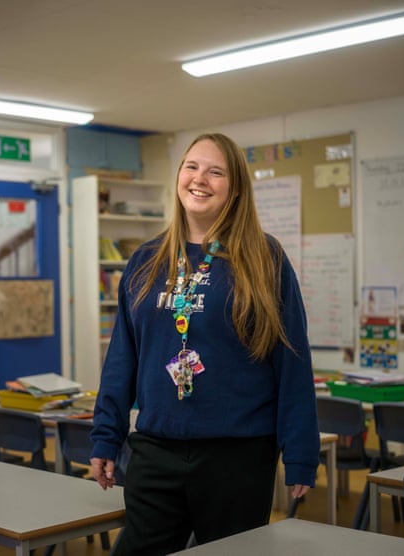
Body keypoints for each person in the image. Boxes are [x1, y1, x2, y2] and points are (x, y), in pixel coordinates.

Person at [90, 132, 320, 555]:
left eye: (217, 172)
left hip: (237, 456)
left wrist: (301, 451)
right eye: (192, 167)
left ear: (234, 189)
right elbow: (122, 358)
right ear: (179, 176)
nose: (201, 179)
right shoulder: (146, 259)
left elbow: (292, 360)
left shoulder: (263, 257)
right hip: (156, 449)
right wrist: (107, 435)